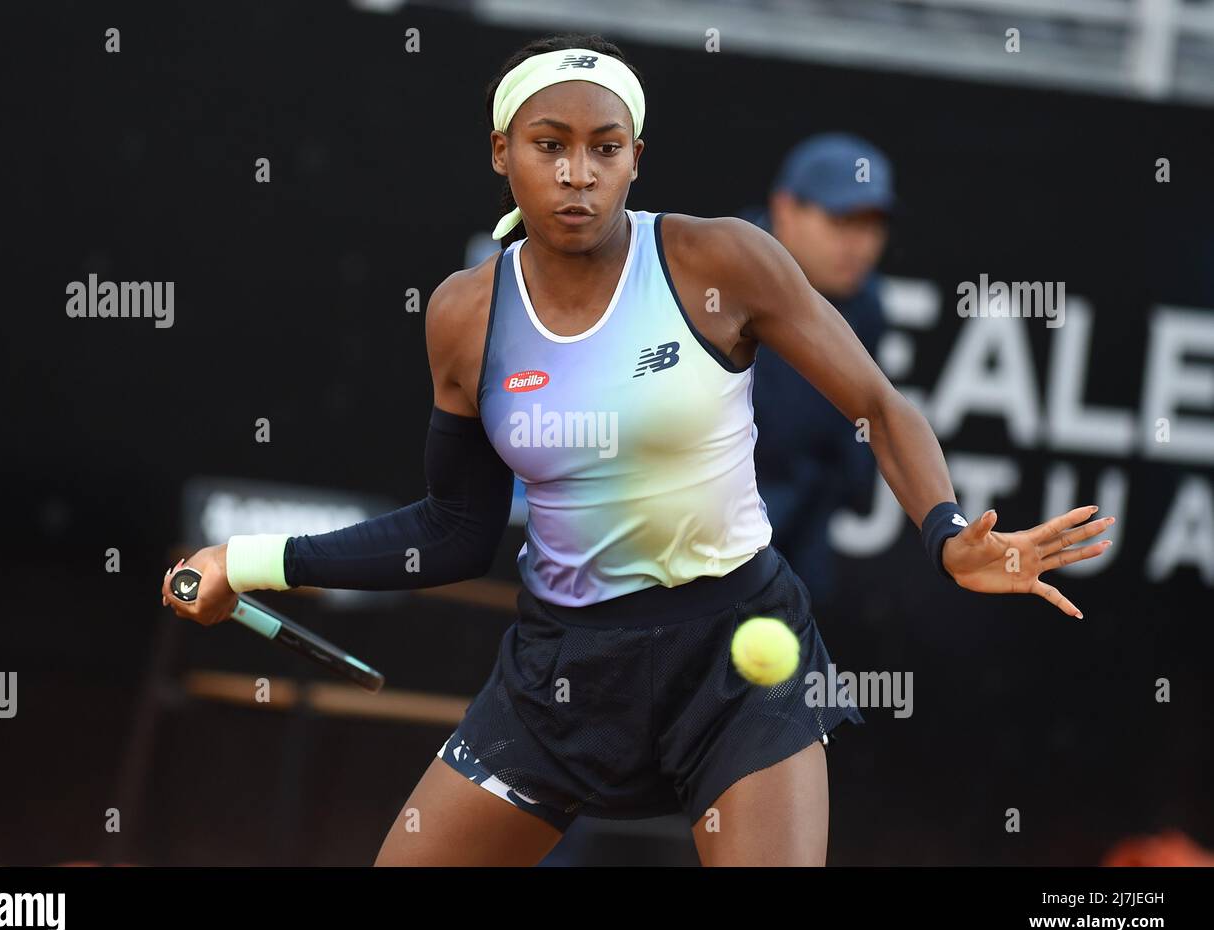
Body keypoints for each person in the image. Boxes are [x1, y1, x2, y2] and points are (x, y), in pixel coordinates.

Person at [160, 33, 1115, 867]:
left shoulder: (719, 262)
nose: (578, 173)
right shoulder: (464, 318)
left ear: (635, 159)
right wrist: (243, 563)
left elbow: (876, 402)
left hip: (741, 661)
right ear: (503, 154)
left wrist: (947, 532)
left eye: (603, 149)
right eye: (550, 147)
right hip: (560, 672)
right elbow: (454, 532)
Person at [739, 133, 893, 606]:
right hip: (698, 557)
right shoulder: (721, 275)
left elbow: (856, 431)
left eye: (872, 226)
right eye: (842, 221)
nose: (861, 246)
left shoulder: (866, 306)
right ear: (785, 209)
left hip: (799, 553)